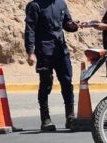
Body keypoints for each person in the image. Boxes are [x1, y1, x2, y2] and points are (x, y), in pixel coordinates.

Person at [24, 0, 79, 131]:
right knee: (46, 83)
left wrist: (73, 25)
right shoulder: (34, 5)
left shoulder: (61, 3)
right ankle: (45, 119)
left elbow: (66, 23)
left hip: (61, 49)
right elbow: (30, 29)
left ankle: (70, 117)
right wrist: (30, 52)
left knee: (67, 81)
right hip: (44, 50)